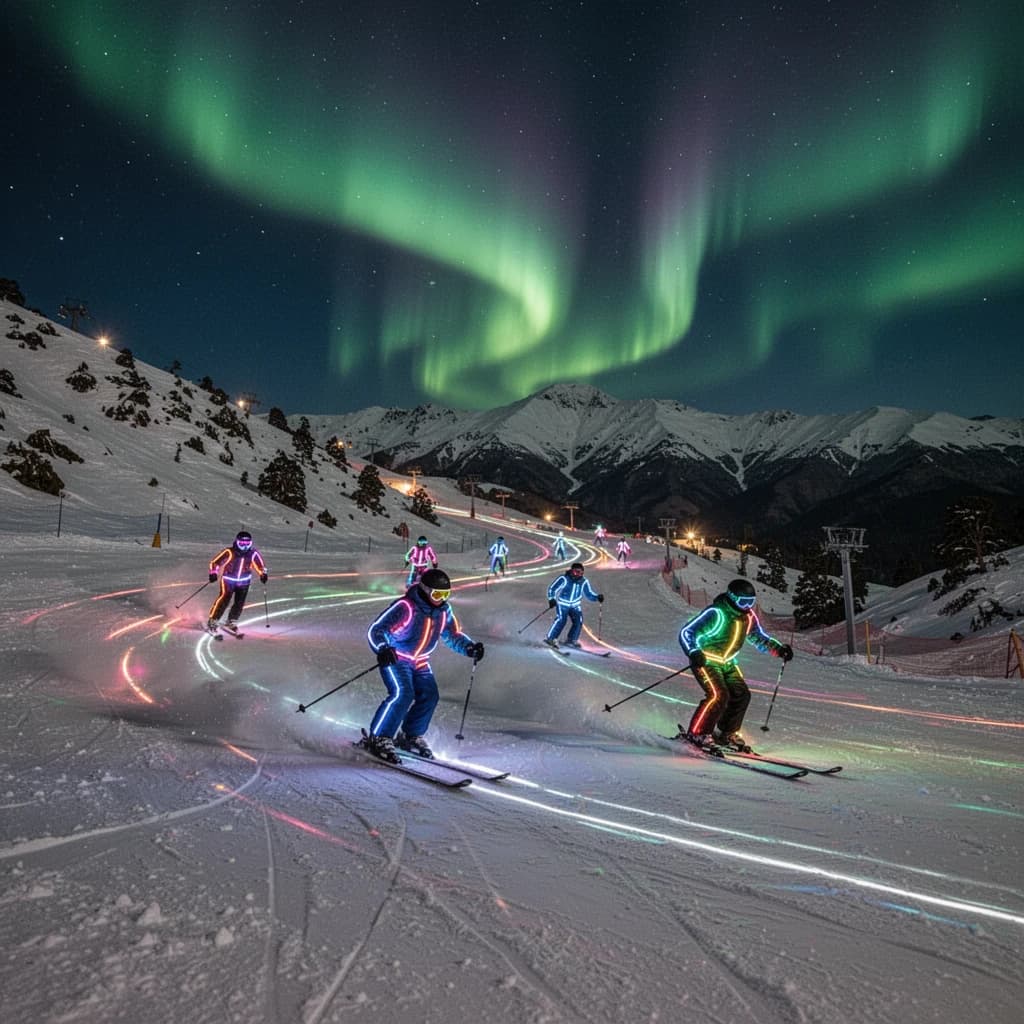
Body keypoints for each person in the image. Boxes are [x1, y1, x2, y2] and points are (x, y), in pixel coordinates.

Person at [363, 568, 484, 763]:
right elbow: (377, 630)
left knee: (430, 695)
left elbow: (452, 635)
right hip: (397, 658)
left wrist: (469, 647)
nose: (441, 599)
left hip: (420, 661)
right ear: (425, 590)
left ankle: (410, 736)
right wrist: (383, 648)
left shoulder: (444, 611)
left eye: (446, 594)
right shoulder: (407, 607)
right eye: (437, 594)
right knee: (403, 693)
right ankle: (380, 737)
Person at [677, 579, 793, 753]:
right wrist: (693, 651)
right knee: (718, 695)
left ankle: (726, 732)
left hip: (728, 662)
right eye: (742, 602)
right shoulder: (717, 613)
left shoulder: (748, 616)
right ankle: (698, 733)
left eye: (750, 602)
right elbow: (687, 632)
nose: (746, 606)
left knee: (741, 695)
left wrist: (779, 650)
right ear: (732, 597)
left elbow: (758, 637)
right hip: (707, 660)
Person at [207, 530, 268, 634]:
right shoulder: (230, 552)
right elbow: (215, 562)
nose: (244, 546)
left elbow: (260, 565)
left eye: (247, 544)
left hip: (244, 582)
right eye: (242, 543)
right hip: (228, 580)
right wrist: (213, 573)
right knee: (224, 600)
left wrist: (263, 574)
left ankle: (231, 621)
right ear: (237, 542)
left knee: (239, 603)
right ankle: (213, 620)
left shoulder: (253, 553)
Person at [543, 562, 603, 649]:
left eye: (581, 573)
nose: (578, 575)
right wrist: (551, 598)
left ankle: (571, 639)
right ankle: (551, 638)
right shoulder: (564, 579)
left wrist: (597, 597)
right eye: (576, 572)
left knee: (578, 621)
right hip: (563, 604)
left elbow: (589, 594)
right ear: (571, 571)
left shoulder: (583, 582)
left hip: (575, 605)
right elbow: (552, 588)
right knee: (561, 620)